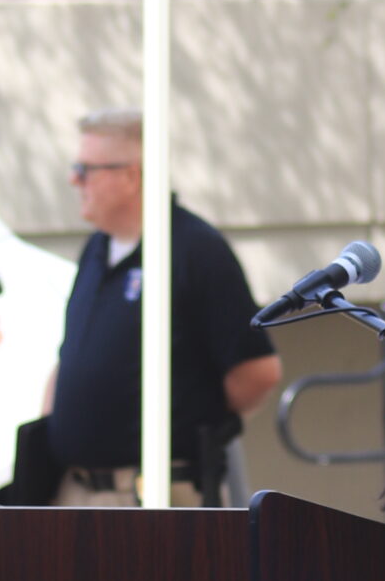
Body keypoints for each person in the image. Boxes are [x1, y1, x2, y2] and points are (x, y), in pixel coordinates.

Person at [45, 109, 281, 508]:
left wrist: (189, 416)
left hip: (153, 494)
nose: (74, 180)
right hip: (79, 491)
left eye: (86, 170)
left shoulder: (194, 249)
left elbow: (257, 371)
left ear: (132, 176)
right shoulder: (97, 248)